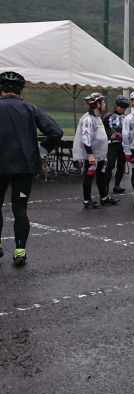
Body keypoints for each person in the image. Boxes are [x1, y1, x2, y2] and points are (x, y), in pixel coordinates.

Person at [0, 71, 62, 267]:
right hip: (25, 166)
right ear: (22, 91)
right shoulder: (30, 108)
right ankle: (20, 251)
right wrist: (41, 150)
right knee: (20, 209)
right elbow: (56, 131)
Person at [74, 93, 118, 209]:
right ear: (97, 104)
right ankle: (87, 200)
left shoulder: (97, 117)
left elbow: (99, 136)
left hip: (100, 155)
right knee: (89, 176)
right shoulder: (88, 119)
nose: (104, 104)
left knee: (101, 176)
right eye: (102, 102)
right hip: (92, 155)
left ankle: (104, 197)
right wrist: (90, 154)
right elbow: (86, 137)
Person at [102, 95, 129, 194]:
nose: (122, 109)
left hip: (122, 145)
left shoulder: (127, 118)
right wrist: (109, 136)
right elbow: (102, 129)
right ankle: (105, 186)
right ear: (116, 106)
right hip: (111, 144)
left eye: (124, 108)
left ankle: (117, 185)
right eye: (121, 107)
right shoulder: (107, 116)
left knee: (121, 165)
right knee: (110, 165)